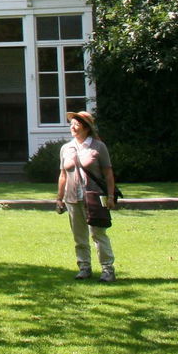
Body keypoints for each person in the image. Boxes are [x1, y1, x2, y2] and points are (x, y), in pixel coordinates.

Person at [55, 109, 118, 282]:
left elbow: (108, 174)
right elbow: (63, 175)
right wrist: (59, 198)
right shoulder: (66, 148)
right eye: (71, 124)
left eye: (77, 124)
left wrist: (111, 197)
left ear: (87, 128)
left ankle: (107, 270)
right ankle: (84, 267)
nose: (73, 127)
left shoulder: (98, 147)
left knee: (98, 234)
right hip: (72, 198)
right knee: (79, 237)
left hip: (95, 198)